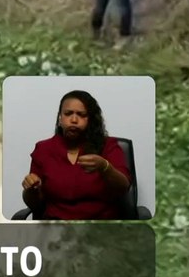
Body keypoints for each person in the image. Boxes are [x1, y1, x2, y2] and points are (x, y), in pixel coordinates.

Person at [21, 90, 132, 220]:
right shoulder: (43, 149)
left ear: (91, 119)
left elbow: (124, 187)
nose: (74, 120)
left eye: (81, 115)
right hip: (56, 225)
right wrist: (30, 189)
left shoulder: (108, 146)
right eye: (68, 114)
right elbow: (35, 204)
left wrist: (104, 167)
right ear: (60, 118)